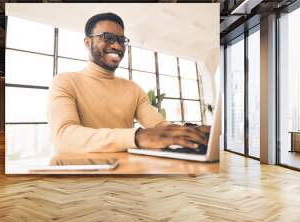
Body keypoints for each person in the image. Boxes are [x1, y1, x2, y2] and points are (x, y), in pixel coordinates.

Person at [48, 12, 208, 153]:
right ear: (87, 42)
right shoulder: (65, 81)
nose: (117, 46)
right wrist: (137, 136)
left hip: (125, 173)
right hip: (81, 176)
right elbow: (63, 136)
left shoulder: (133, 89)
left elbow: (159, 125)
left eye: (121, 40)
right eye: (108, 38)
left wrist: (193, 133)